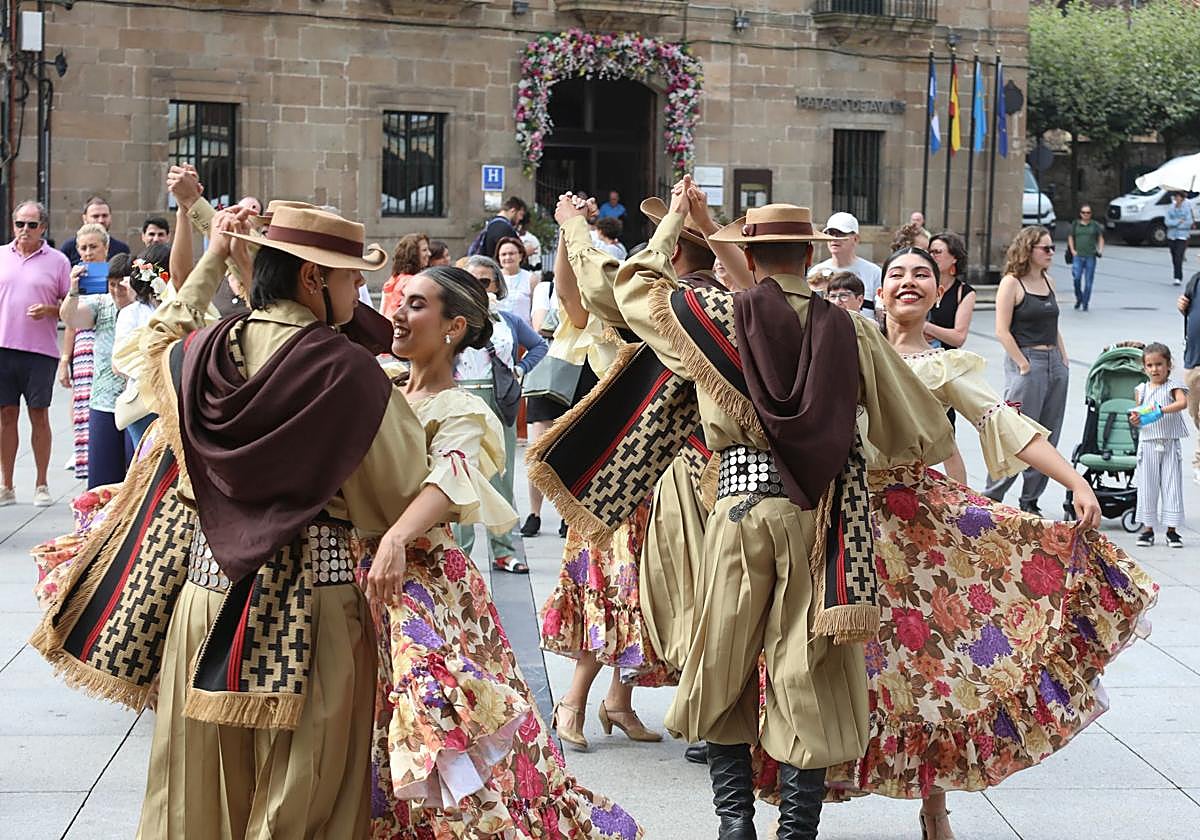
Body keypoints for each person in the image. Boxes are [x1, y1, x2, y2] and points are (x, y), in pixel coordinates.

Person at [573, 178, 958, 839]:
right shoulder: (853, 331)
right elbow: (920, 430)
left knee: (720, 661)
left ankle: (734, 826)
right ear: (809, 260)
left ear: (750, 261)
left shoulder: (710, 318)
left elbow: (630, 285)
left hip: (737, 511)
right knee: (805, 673)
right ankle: (796, 833)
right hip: (819, 520)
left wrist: (671, 229)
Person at [799, 246, 1154, 840]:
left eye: (921, 276)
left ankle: (933, 805)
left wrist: (1073, 478)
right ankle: (806, 798)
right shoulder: (845, 348)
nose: (907, 283)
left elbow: (1002, 423)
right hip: (844, 524)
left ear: (938, 296)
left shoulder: (946, 366)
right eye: (896, 275)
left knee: (930, 672)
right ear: (877, 292)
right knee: (833, 663)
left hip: (917, 534)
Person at [133, 203, 432, 839]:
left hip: (207, 595)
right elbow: (397, 489)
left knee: (198, 788)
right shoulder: (348, 371)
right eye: (351, 277)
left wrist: (214, 255)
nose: (362, 290)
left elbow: (150, 347)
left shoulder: (195, 356)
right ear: (312, 279)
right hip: (313, 602)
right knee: (311, 789)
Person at [366, 265, 641, 836]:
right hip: (365, 571)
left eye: (417, 305)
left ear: (452, 327)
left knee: (444, 723)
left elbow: (447, 482)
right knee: (382, 725)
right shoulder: (380, 383)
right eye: (401, 300)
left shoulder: (462, 410)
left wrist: (394, 537)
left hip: (426, 585)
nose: (398, 312)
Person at [455, 254, 547, 572]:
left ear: (497, 285)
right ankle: (459, 553)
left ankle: (504, 550)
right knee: (459, 474)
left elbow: (539, 346)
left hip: (499, 399)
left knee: (501, 477)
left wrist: (520, 369)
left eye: (485, 281)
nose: (478, 287)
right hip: (461, 397)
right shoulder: (450, 316)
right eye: (471, 281)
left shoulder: (507, 320)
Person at [984, 226, 1069, 515]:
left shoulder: (1049, 281)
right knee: (1015, 432)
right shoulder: (1012, 283)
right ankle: (992, 496)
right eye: (1045, 248)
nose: (1050, 253)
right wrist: (1022, 363)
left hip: (1054, 361)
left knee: (1049, 434)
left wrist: (1064, 358)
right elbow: (1001, 330)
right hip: (1027, 361)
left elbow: (1055, 325)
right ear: (1028, 250)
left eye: (1051, 248)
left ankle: (1030, 500)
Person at [0, 200, 69, 506]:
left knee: (39, 415)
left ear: (43, 227)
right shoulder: (0, 256)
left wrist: (51, 309)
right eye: (19, 224)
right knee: (5, 416)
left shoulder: (58, 261)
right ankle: (7, 484)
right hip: (3, 348)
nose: (24, 230)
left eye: (31, 224)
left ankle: (41, 484)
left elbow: (71, 307)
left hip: (41, 351)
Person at [60, 252, 140, 488]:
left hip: (136, 403)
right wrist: (73, 290)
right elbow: (71, 319)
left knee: (136, 476)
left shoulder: (145, 308)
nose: (116, 291)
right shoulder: (102, 303)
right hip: (104, 401)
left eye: (121, 286)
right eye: (111, 285)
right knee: (102, 480)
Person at [60, 221, 111, 482]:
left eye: (93, 246)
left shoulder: (116, 274)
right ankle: (88, 469)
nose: (88, 252)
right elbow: (70, 322)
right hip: (83, 349)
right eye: (83, 247)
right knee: (83, 412)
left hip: (109, 348)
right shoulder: (77, 277)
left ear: (106, 247)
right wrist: (64, 359)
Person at [1131, 342, 1189, 547]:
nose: (1155, 369)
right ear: (1144, 367)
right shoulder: (1142, 389)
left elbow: (1182, 403)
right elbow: (1138, 413)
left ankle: (1172, 530)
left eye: (1159, 364)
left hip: (1169, 443)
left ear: (1168, 365)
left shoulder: (1173, 386)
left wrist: (1161, 410)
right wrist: (1136, 419)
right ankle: (1148, 529)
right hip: (1147, 443)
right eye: (1150, 365)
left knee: (1171, 485)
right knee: (1147, 486)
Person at [112, 246, 167, 448]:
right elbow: (119, 363)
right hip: (144, 400)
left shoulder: (181, 308)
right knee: (146, 464)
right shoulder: (132, 313)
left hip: (177, 398)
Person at [810, 211, 883, 313]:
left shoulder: (874, 272)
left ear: (856, 239)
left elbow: (880, 309)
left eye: (840, 234)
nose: (834, 238)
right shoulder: (815, 272)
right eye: (831, 233)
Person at [924, 231, 975, 351]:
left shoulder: (964, 292)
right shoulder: (921, 284)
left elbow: (959, 338)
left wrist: (925, 327)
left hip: (945, 362)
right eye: (930, 252)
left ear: (954, 258)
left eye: (937, 252)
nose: (932, 256)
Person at [59, 195, 131, 265]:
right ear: (85, 218)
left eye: (104, 216)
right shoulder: (68, 247)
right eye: (95, 216)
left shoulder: (121, 249)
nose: (101, 220)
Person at [1179, 276, 1200, 483]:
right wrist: (1182, 308)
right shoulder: (1195, 281)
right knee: (1195, 414)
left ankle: (1199, 462)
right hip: (1193, 359)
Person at [380, 232, 430, 318]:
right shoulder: (411, 282)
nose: (429, 254)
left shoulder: (394, 279)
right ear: (413, 254)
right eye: (424, 250)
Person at [495, 235, 539, 327]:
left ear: (520, 255)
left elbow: (536, 310)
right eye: (503, 254)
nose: (507, 257)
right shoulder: (494, 278)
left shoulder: (531, 279)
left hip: (524, 332)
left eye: (511, 253)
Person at [1068, 204, 1104, 310]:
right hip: (1078, 256)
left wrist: (1100, 250)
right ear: (1080, 214)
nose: (1086, 215)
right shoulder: (1076, 224)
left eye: (1088, 213)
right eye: (1084, 212)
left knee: (1088, 282)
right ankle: (1079, 297)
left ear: (1091, 214)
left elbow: (1101, 238)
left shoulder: (1094, 225)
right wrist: (1073, 250)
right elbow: (1070, 237)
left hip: (1090, 256)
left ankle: (1085, 302)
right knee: (1077, 279)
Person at [476, 195, 526, 259]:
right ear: (513, 211)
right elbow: (507, 254)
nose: (521, 218)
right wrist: (525, 252)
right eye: (520, 214)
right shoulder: (503, 228)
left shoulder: (492, 224)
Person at [1166, 191, 1194, 286]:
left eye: (1179, 197)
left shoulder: (1186, 209)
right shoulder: (1170, 208)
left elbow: (1188, 222)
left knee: (1178, 256)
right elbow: (1167, 221)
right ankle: (1176, 273)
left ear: (1182, 198)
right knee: (1174, 257)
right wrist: (1178, 222)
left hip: (1182, 236)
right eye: (1175, 197)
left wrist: (1176, 224)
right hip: (1171, 236)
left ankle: (1178, 277)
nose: (1177, 199)